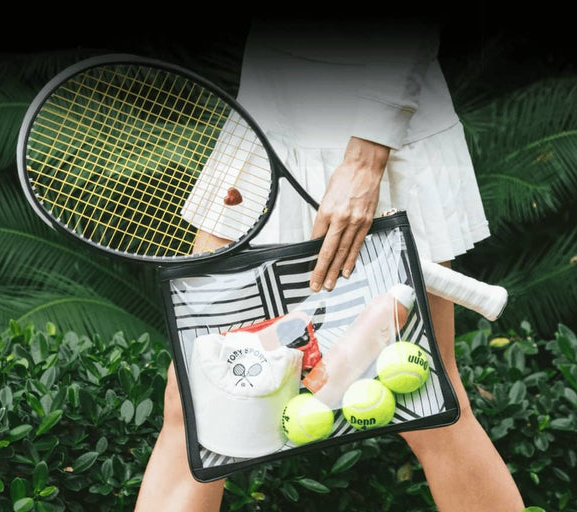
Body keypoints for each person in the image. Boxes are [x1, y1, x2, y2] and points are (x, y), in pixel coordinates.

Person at [135, 17, 526, 511]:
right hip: (261, 140)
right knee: (193, 411)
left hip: (380, 150)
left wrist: (366, 162)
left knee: (432, 407)